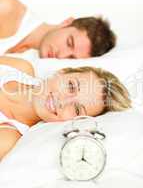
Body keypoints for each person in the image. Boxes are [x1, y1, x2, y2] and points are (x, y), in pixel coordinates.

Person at [0, 55, 131, 160]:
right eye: (71, 86)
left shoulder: (6, 139)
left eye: (77, 109)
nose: (63, 102)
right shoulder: (20, 67)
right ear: (61, 72)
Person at [0, 0, 116, 58]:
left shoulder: (30, 63)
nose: (61, 55)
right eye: (69, 43)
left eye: (71, 58)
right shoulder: (7, 9)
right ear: (67, 23)